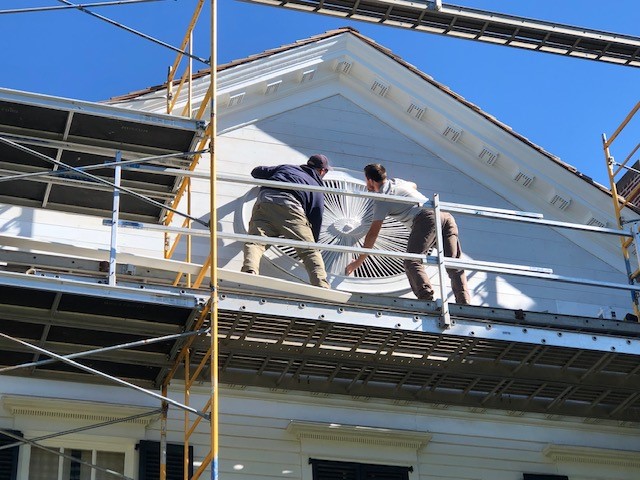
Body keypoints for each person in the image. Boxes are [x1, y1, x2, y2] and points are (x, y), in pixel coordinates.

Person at [345, 163, 470, 304]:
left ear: (370, 180)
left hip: (426, 219)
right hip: (445, 216)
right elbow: (414, 185)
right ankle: (463, 301)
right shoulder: (397, 182)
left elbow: (373, 233)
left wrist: (359, 261)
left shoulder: (382, 200)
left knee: (411, 260)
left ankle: (426, 298)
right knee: (453, 263)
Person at [241, 154, 331, 289]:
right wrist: (313, 241)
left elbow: (257, 171)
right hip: (290, 207)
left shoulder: (287, 168)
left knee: (255, 242)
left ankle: (250, 270)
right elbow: (316, 216)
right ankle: (321, 284)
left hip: (265, 202)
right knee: (309, 251)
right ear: (322, 171)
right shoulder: (316, 186)